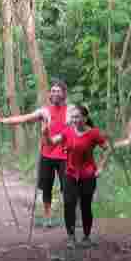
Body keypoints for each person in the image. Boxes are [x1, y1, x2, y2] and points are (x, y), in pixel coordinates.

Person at [0, 80, 69, 225]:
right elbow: (23, 119)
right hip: (47, 155)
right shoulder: (44, 111)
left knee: (68, 187)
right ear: (49, 94)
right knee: (46, 188)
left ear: (64, 93)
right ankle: (47, 216)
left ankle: (70, 215)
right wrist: (3, 120)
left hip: (65, 156)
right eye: (53, 91)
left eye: (58, 91)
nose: (55, 94)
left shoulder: (70, 111)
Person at [48, 103, 109, 247]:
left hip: (87, 175)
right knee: (69, 204)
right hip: (70, 174)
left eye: (77, 117)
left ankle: (86, 237)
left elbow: (107, 148)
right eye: (73, 117)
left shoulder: (93, 133)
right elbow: (51, 142)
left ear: (85, 118)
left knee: (85, 206)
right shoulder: (67, 131)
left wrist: (101, 167)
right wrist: (45, 132)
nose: (74, 120)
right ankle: (71, 237)